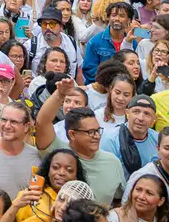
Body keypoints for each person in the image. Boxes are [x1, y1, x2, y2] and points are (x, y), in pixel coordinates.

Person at [35, 78, 125, 207]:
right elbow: (42, 122)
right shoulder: (57, 152)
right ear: (72, 134)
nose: (96, 136)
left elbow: (118, 201)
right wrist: (59, 94)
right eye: (90, 132)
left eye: (97, 130)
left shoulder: (113, 162)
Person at [98, 95, 160, 178]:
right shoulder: (110, 139)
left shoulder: (158, 139)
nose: (140, 118)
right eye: (136, 112)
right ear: (127, 113)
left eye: (147, 114)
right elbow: (106, 174)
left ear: (154, 119)